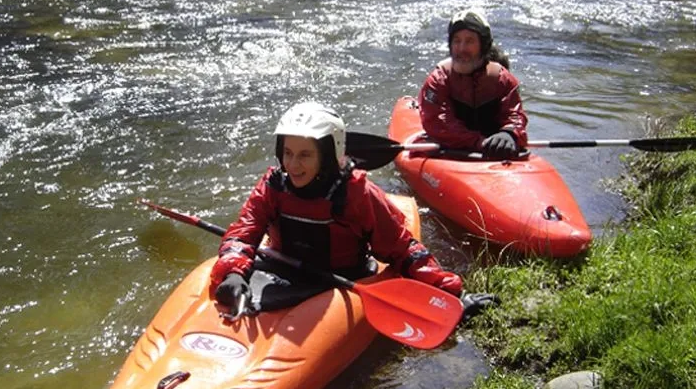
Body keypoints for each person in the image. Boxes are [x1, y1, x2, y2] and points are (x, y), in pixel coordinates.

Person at [208, 101, 498, 321]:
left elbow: (403, 251)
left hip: (339, 279)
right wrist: (233, 273)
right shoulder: (273, 186)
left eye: (305, 155)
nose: (293, 165)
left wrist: (451, 295)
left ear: (328, 155)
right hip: (280, 267)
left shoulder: (356, 195)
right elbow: (243, 233)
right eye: (288, 153)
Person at [418, 8, 529, 159]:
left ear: (483, 46)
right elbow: (437, 123)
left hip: (492, 149)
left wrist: (509, 133)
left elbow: (514, 114)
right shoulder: (438, 79)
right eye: (457, 41)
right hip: (452, 149)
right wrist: (480, 142)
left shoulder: (503, 79)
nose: (461, 48)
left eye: (469, 41)